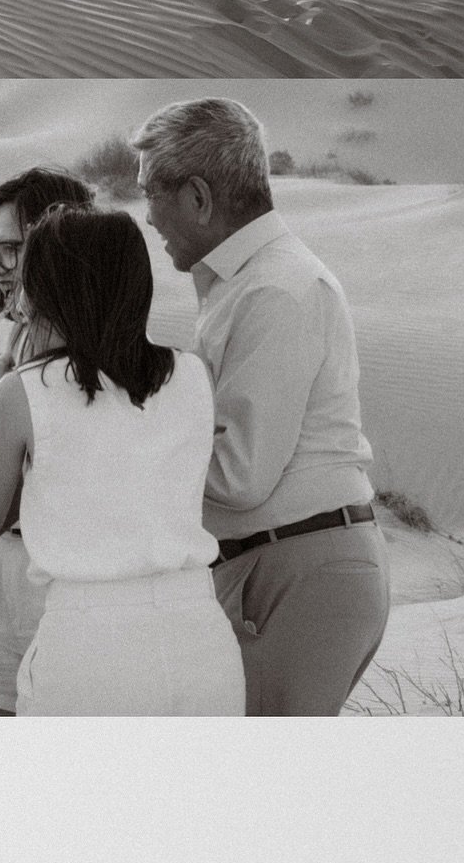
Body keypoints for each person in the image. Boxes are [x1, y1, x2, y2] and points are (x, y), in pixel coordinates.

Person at [130, 97, 391, 715]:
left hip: (296, 572)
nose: (146, 217)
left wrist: (132, 443)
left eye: (150, 194)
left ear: (197, 196)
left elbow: (240, 475)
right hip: (287, 566)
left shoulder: (273, 289)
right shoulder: (247, 284)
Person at [0, 206, 245, 716]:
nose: (19, 304)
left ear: (51, 291)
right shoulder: (192, 375)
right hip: (200, 635)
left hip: (89, 643)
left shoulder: (25, 390)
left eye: (27, 283)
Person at [0, 168, 94, 717]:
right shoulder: (0, 340)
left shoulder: (102, 355)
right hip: (0, 579)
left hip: (66, 588)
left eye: (9, 250)